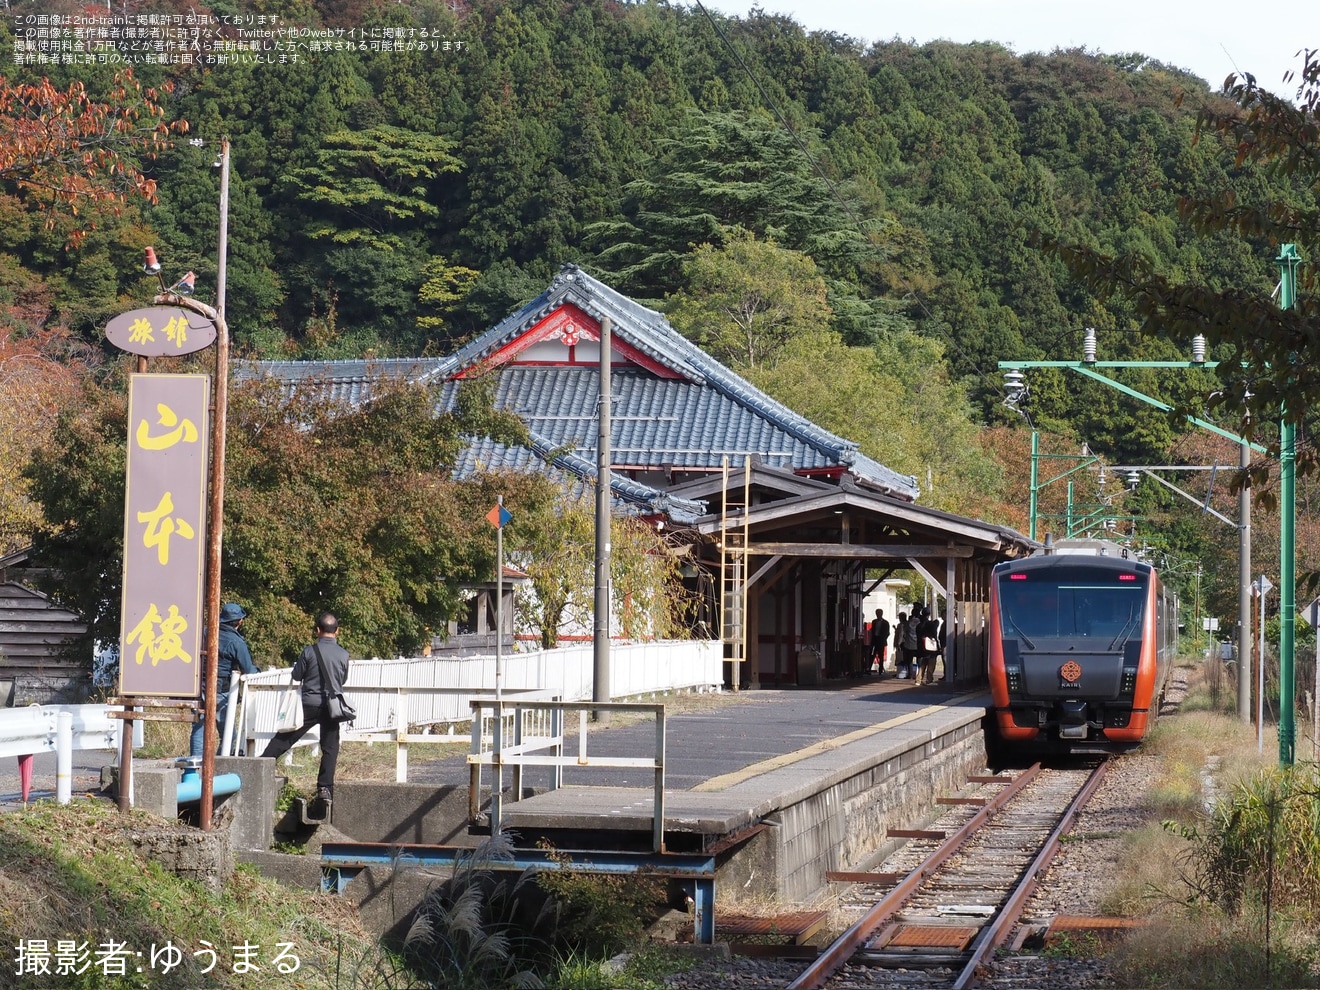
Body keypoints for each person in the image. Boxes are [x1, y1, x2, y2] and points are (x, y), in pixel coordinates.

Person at [260, 613, 351, 807]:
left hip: (309, 704)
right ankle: (324, 788)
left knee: (286, 737)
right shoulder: (343, 654)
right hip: (331, 707)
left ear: (318, 630)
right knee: (330, 748)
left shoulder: (309, 651)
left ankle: (260, 766)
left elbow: (297, 675)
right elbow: (342, 680)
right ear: (337, 631)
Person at [190, 602, 259, 757]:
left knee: (199, 729)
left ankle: (195, 766)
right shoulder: (236, 642)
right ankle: (218, 764)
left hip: (198, 687)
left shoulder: (205, 633)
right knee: (229, 735)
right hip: (221, 690)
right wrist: (260, 671)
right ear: (239, 621)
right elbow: (248, 669)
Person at [918, 608, 943, 686]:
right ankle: (929, 679)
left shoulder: (919, 625)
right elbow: (934, 635)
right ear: (929, 615)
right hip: (931, 646)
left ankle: (918, 679)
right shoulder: (931, 624)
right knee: (931, 662)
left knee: (923, 663)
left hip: (922, 645)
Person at [901, 606, 923, 680]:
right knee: (919, 660)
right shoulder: (920, 622)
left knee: (909, 660)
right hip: (918, 643)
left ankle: (910, 674)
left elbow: (904, 630)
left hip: (909, 644)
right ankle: (920, 674)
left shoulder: (908, 622)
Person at [869, 608, 890, 676]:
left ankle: (880, 670)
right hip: (874, 640)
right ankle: (869, 668)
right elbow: (872, 631)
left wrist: (883, 639)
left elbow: (887, 632)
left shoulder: (885, 623)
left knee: (881, 655)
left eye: (879, 613)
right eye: (877, 614)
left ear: (882, 614)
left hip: (881, 640)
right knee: (872, 654)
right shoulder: (874, 621)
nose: (878, 615)